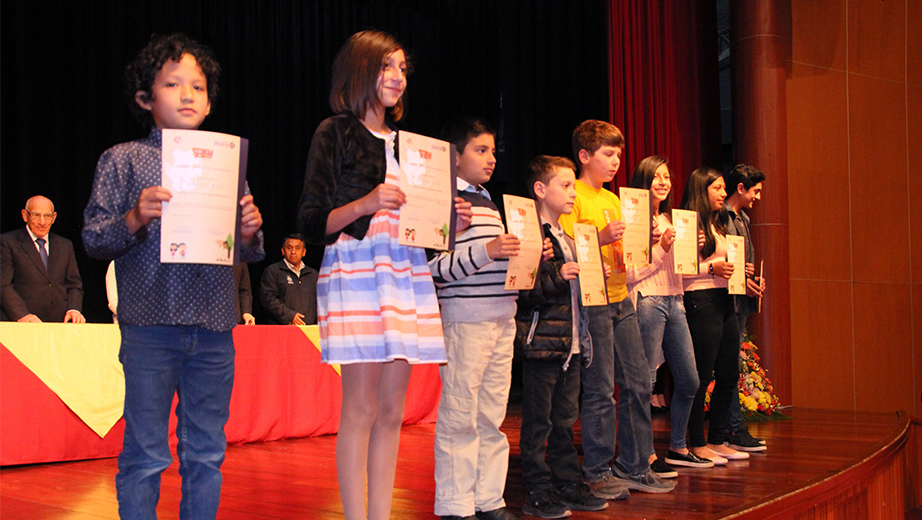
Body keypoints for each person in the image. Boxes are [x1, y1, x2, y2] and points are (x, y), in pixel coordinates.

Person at [82, 33, 265, 520]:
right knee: (146, 454)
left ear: (209, 100)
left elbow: (245, 250)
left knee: (206, 453)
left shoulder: (226, 163)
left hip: (214, 328)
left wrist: (249, 231)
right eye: (173, 84)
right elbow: (95, 239)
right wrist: (135, 218)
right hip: (149, 328)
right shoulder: (122, 159)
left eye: (199, 87)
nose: (188, 95)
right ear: (145, 97)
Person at [297, 31, 467, 520]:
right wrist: (367, 203)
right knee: (361, 408)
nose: (397, 76)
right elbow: (311, 221)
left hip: (406, 274)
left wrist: (448, 216)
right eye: (386, 66)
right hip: (358, 271)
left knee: (393, 411)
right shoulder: (336, 132)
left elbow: (424, 224)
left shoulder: (413, 146)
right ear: (359, 71)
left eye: (402, 68)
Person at [559, 120, 675, 496]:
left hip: (620, 295)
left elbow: (624, 257)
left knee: (640, 381)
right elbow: (566, 246)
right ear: (584, 156)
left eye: (618, 155)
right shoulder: (572, 195)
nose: (615, 162)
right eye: (608, 154)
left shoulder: (613, 200)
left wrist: (646, 243)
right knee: (600, 390)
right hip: (591, 300)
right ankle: (596, 470)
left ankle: (635, 465)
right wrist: (600, 238)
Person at [428, 116, 521, 520]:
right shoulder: (441, 201)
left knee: (491, 417)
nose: (491, 158)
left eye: (493, 151)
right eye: (480, 150)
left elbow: (494, 260)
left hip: (503, 316)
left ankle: (488, 499)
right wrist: (489, 252)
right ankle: (455, 504)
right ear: (454, 156)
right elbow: (433, 269)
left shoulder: (488, 200)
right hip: (466, 319)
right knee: (460, 414)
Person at [515, 156, 609, 518]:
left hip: (569, 344)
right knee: (538, 422)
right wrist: (558, 274)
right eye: (565, 186)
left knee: (565, 420)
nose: (572, 193)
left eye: (573, 185)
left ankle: (568, 481)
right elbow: (523, 293)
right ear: (540, 190)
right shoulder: (529, 236)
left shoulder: (568, 238)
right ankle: (537, 489)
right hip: (542, 345)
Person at [626, 156, 713, 475]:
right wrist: (662, 248)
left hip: (675, 301)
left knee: (690, 379)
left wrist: (694, 250)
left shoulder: (669, 219)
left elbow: (683, 272)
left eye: (666, 177)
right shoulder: (633, 218)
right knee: (645, 383)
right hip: (648, 300)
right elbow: (630, 273)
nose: (663, 182)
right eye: (656, 177)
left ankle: (678, 447)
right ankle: (645, 456)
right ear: (643, 181)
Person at [679, 167, 748, 465]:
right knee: (701, 374)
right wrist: (711, 268)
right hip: (700, 298)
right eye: (717, 188)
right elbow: (680, 269)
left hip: (725, 298)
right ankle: (697, 442)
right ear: (701, 190)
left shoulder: (721, 223)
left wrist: (740, 270)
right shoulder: (686, 223)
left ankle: (718, 438)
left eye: (723, 188)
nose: (723, 194)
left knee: (729, 371)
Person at [723, 164, 767, 452]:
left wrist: (752, 277)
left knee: (732, 366)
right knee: (727, 367)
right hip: (725, 301)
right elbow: (722, 260)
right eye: (755, 191)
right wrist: (741, 277)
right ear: (740, 188)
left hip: (740, 300)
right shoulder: (722, 217)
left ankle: (732, 428)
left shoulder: (744, 219)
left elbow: (740, 261)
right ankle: (731, 429)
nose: (758, 197)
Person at [1, 195, 85, 323]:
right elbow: (3, 285)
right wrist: (23, 315)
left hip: (58, 325)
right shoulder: (8, 242)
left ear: (54, 217)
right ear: (25, 215)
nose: (42, 222)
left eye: (47, 216)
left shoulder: (64, 246)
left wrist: (73, 309)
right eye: (36, 215)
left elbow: (74, 285)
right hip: (22, 325)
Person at [259, 233, 318, 325]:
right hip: (281, 329)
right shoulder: (273, 271)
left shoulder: (313, 274)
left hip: (309, 331)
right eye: (289, 248)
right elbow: (268, 299)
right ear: (283, 251)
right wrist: (290, 316)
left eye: (297, 248)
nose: (293, 252)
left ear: (304, 252)